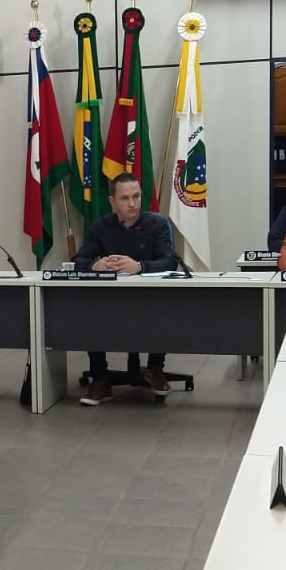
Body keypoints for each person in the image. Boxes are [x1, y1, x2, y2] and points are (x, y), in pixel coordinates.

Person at [75, 172, 176, 404]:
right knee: (89, 310)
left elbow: (170, 261)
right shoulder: (101, 227)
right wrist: (94, 265)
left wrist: (140, 266)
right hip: (110, 299)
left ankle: (155, 369)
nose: (133, 204)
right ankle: (100, 378)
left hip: (150, 298)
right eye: (125, 198)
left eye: (136, 196)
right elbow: (79, 260)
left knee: (164, 306)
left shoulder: (157, 224)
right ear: (112, 201)